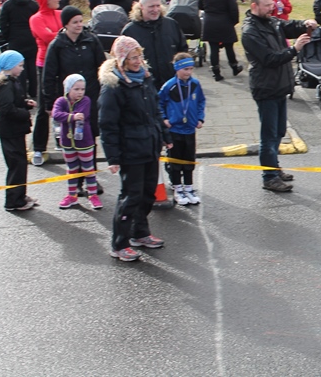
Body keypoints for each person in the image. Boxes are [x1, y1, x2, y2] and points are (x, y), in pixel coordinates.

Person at [99, 36, 172, 262]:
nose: (137, 60)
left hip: (150, 145)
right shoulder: (113, 88)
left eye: (139, 55)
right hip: (130, 149)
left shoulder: (145, 79)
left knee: (148, 193)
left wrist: (165, 136)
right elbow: (107, 124)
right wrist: (113, 157)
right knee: (130, 197)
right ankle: (119, 244)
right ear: (121, 60)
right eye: (132, 57)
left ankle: (139, 233)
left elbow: (155, 111)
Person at [241, 0, 318, 192]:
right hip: (265, 88)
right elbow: (269, 59)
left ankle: (274, 167)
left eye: (271, 4)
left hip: (279, 86)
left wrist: (305, 24)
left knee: (279, 132)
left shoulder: (270, 21)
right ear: (254, 6)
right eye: (267, 5)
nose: (272, 7)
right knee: (269, 135)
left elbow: (286, 26)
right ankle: (269, 177)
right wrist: (294, 49)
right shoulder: (250, 32)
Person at [43, 6, 107, 197]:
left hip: (90, 99)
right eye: (75, 22)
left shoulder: (91, 40)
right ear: (66, 25)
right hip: (69, 102)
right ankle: (76, 182)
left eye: (81, 21)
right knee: (71, 141)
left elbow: (103, 68)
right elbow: (49, 75)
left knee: (89, 139)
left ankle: (91, 180)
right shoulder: (57, 45)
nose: (80, 25)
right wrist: (49, 104)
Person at [0, 51, 38, 211]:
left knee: (19, 162)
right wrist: (24, 113)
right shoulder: (6, 84)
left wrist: (24, 103)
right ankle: (14, 201)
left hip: (13, 129)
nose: (23, 69)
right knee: (17, 164)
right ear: (10, 66)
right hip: (10, 130)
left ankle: (20, 196)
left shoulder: (10, 82)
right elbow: (6, 108)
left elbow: (12, 102)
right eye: (20, 65)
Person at [159, 52, 206, 205]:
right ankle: (178, 189)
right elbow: (159, 104)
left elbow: (201, 102)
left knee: (189, 160)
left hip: (190, 129)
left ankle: (189, 187)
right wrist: (165, 119)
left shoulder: (195, 84)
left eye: (191, 69)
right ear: (177, 69)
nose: (188, 72)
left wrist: (200, 118)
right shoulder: (169, 86)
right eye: (185, 69)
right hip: (175, 130)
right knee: (175, 161)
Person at [121, 0, 187, 90]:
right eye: (151, 6)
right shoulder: (130, 31)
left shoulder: (171, 25)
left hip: (172, 86)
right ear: (141, 6)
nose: (155, 10)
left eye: (158, 5)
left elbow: (183, 51)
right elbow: (122, 63)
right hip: (143, 89)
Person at [52, 74, 101, 209]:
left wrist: (68, 117)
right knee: (71, 170)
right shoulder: (61, 101)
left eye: (82, 89)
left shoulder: (86, 100)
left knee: (88, 170)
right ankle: (71, 196)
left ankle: (93, 195)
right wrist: (71, 117)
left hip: (85, 142)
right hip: (67, 142)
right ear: (68, 89)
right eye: (76, 89)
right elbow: (56, 114)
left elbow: (82, 114)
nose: (80, 92)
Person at [29, 0, 62, 165]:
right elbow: (48, 38)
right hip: (44, 65)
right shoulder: (36, 19)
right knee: (44, 108)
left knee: (66, 104)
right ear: (45, 0)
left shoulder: (60, 13)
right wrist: (63, 32)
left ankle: (63, 140)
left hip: (63, 62)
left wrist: (58, 34)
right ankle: (38, 148)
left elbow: (56, 36)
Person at [199, 0, 243, 82]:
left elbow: (200, 5)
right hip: (225, 22)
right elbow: (233, 9)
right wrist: (233, 21)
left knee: (213, 49)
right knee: (229, 47)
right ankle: (234, 67)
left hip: (210, 22)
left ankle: (216, 72)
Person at [0, 0, 39, 99]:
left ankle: (21, 93)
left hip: (15, 38)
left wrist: (7, 37)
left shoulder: (8, 5)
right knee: (32, 65)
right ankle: (33, 91)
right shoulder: (33, 4)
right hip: (31, 37)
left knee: (18, 66)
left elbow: (2, 23)